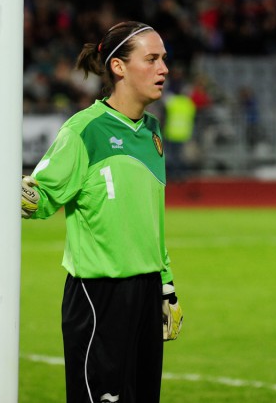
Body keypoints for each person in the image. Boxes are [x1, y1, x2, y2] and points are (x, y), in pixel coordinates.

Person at [21, 21, 183, 403]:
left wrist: (167, 284)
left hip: (146, 292)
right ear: (119, 67)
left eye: (164, 59)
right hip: (99, 295)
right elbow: (41, 198)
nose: (164, 69)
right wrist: (22, 193)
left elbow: (150, 220)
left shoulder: (153, 132)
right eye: (152, 59)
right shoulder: (84, 130)